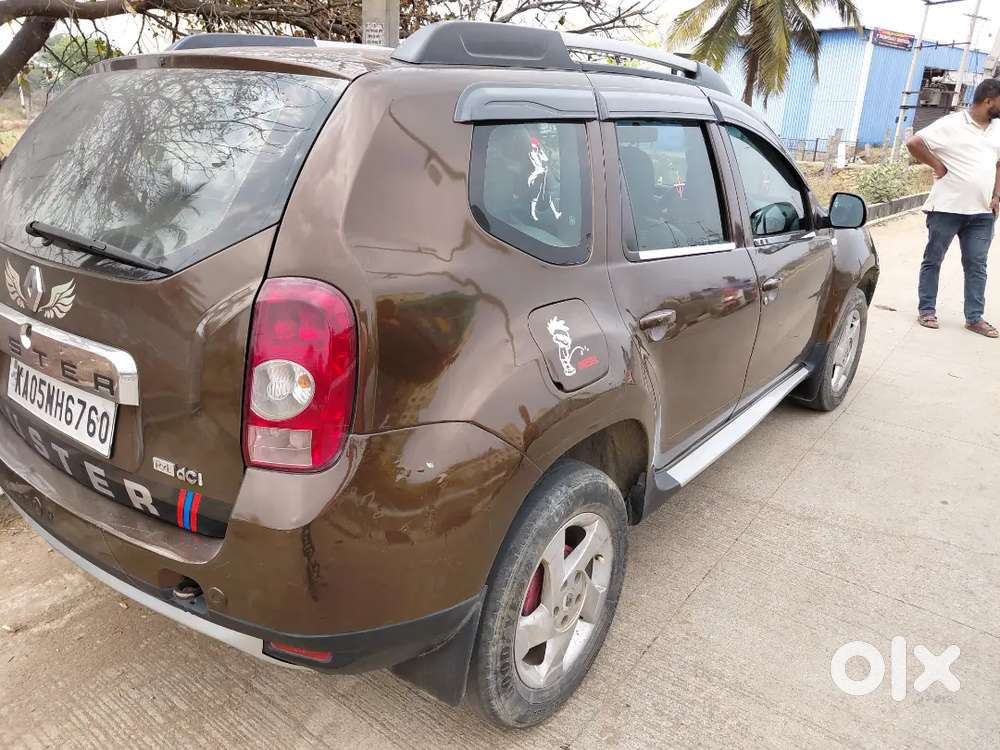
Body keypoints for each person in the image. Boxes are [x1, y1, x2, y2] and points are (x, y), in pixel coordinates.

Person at [906, 78, 1000, 339]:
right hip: (946, 209)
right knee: (933, 259)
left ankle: (974, 318)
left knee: (977, 265)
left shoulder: (998, 129)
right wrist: (937, 165)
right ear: (989, 100)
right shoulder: (951, 124)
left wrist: (997, 195)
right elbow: (914, 143)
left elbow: (999, 163)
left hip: (982, 213)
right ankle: (927, 310)